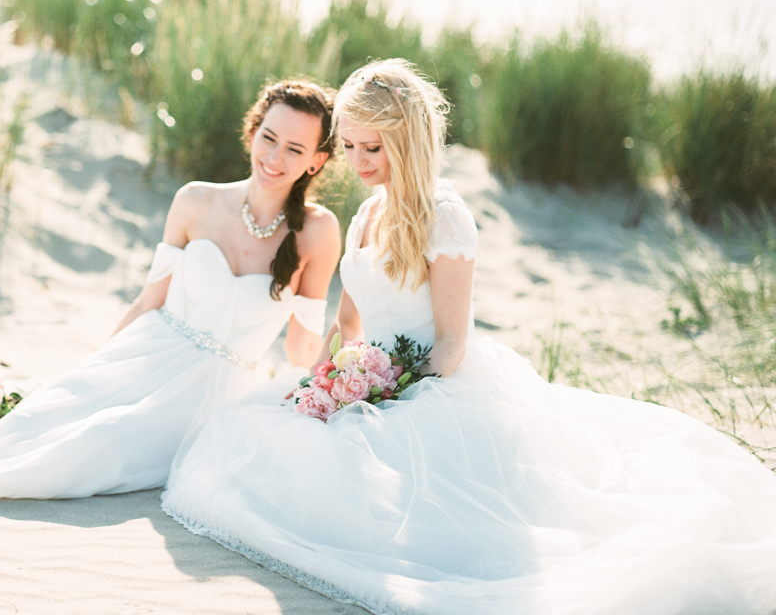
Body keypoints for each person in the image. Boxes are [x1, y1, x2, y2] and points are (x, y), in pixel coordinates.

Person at [161, 59, 776, 615]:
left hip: (434, 385)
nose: (357, 161)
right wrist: (324, 383)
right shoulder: (366, 213)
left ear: (406, 139)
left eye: (372, 146)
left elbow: (453, 343)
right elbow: (348, 322)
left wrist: (384, 396)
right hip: (370, 373)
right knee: (275, 444)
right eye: (347, 146)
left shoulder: (444, 216)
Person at [0, 80, 341, 499]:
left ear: (317, 160)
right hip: (149, 351)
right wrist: (92, 368)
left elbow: (299, 350)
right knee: (30, 426)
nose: (275, 157)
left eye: (295, 149)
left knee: (99, 445)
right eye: (268, 138)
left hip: (216, 391)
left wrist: (334, 358)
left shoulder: (317, 233)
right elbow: (151, 300)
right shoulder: (196, 200)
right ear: (252, 132)